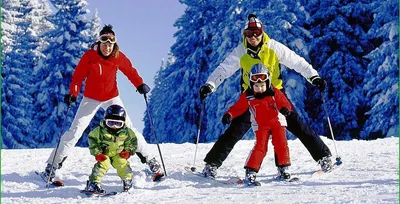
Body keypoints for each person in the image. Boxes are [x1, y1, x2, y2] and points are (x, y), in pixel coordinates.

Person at [199, 14, 333, 179]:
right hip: (251, 96)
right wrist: (210, 85)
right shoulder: (241, 51)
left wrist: (314, 76)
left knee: (296, 123)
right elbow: (223, 69)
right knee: (235, 130)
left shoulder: (274, 47)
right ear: (244, 34)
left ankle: (323, 157)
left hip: (275, 95)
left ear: (262, 32)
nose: (253, 37)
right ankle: (211, 165)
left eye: (257, 32)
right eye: (249, 33)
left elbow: (297, 62)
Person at [41, 24, 162, 182]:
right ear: (99, 43)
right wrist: (73, 93)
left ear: (114, 44)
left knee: (129, 128)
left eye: (110, 44)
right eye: (104, 43)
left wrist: (139, 84)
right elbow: (78, 77)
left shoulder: (118, 56)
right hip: (90, 98)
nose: (107, 47)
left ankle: (151, 160)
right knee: (75, 131)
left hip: (112, 97)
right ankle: (52, 166)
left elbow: (130, 71)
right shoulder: (90, 56)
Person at [223, 64, 292, 186]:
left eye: (262, 86)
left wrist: (285, 109)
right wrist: (229, 114)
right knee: (261, 147)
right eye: (256, 86)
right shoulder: (248, 95)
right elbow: (238, 107)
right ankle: (251, 171)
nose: (259, 89)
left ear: (267, 82)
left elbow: (284, 102)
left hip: (276, 121)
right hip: (261, 125)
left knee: (281, 143)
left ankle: (283, 168)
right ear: (251, 84)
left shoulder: (273, 91)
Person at [84, 105, 137, 193]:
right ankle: (93, 183)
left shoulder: (127, 132)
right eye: (111, 123)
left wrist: (128, 151)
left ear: (123, 123)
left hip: (119, 154)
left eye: (118, 124)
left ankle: (128, 180)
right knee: (103, 164)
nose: (114, 127)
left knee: (122, 163)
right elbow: (93, 140)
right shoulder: (99, 131)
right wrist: (97, 153)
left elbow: (132, 141)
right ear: (105, 121)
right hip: (104, 153)